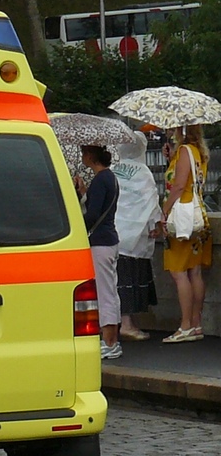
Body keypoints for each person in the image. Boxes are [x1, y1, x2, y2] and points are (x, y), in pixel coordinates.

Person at [160, 124, 212, 343]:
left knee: (179, 272)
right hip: (196, 217)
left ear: (182, 129)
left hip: (181, 219)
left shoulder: (184, 151)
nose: (169, 130)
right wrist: (171, 156)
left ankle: (185, 325)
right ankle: (196, 323)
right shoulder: (199, 152)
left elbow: (180, 185)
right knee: (195, 272)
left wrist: (165, 210)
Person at [112, 131, 161, 341]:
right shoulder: (143, 172)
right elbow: (150, 201)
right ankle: (128, 324)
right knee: (132, 279)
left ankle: (123, 321)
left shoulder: (113, 169)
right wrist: (155, 224)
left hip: (115, 231)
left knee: (119, 280)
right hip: (136, 233)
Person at [74, 145, 121, 360]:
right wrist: (84, 192)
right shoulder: (109, 178)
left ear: (91, 157)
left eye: (84, 154)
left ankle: (110, 341)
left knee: (104, 292)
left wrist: (75, 224)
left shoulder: (101, 179)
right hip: (109, 239)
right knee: (109, 289)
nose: (82, 157)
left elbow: (93, 214)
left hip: (100, 241)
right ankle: (112, 339)